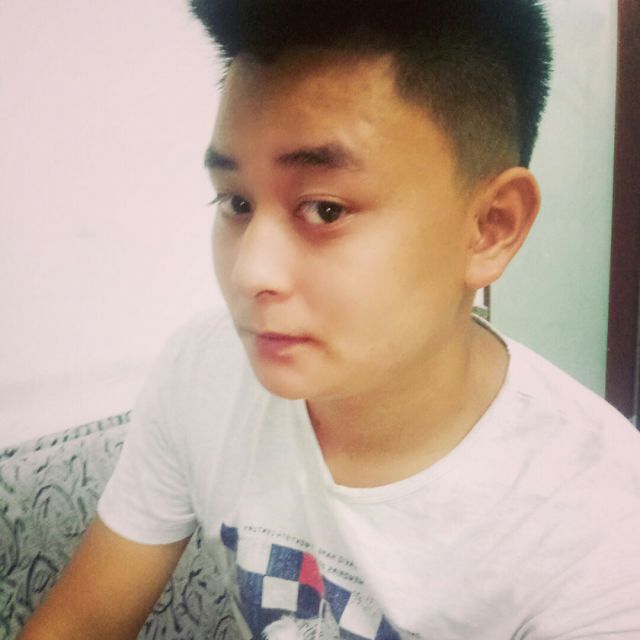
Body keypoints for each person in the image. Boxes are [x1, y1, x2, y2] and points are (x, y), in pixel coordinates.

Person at [19, 1, 640, 638]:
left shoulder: (603, 529)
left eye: (324, 210)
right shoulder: (201, 371)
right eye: (236, 202)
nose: (250, 272)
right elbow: (80, 625)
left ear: (490, 227)